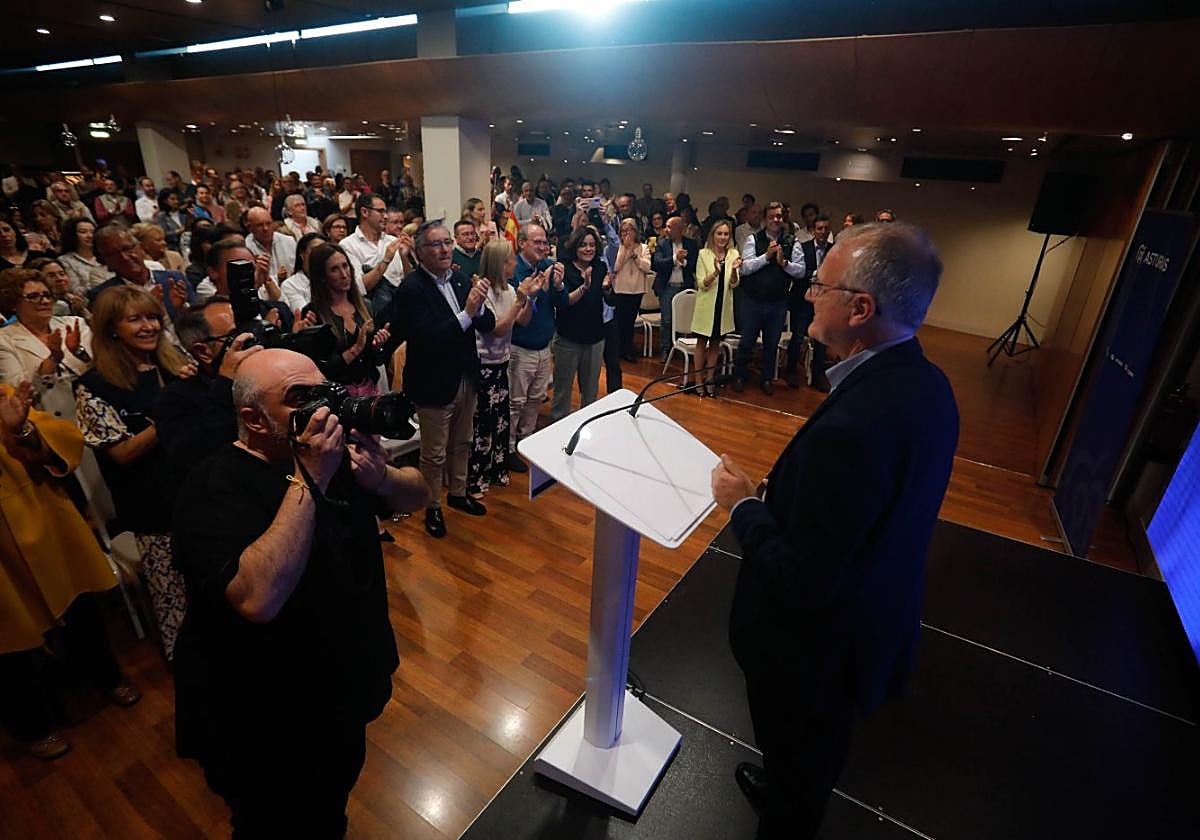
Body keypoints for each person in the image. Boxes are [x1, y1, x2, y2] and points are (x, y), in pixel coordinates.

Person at [710, 222, 959, 840]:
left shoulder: (854, 429)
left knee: (800, 765)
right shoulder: (928, 384)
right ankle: (785, 784)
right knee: (801, 761)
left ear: (860, 309)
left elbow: (802, 579)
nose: (809, 294)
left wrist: (744, 507)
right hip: (870, 620)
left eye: (821, 286)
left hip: (813, 657)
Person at [171, 349, 428, 838]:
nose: (323, 408)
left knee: (330, 806)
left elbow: (419, 495)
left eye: (325, 390)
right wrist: (310, 476)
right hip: (264, 720)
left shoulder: (332, 454)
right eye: (300, 398)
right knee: (277, 823)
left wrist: (383, 476)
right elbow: (257, 599)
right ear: (255, 419)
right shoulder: (211, 485)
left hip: (338, 690)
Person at [0, 381, 140, 761]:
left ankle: (106, 677)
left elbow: (60, 446)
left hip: (43, 520)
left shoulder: (2, 395)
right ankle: (31, 727)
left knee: (80, 609)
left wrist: (21, 430)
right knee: (9, 642)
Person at [75, 286, 194, 659]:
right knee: (178, 605)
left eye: (153, 317)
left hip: (200, 491)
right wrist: (169, 414)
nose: (149, 326)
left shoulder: (176, 363)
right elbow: (123, 453)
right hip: (154, 508)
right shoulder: (94, 386)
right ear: (112, 328)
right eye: (135, 319)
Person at [387, 221, 496, 538]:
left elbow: (487, 324)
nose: (445, 249)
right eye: (436, 244)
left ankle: (458, 493)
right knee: (434, 454)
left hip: (465, 376)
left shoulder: (459, 279)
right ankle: (432, 506)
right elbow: (428, 338)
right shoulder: (411, 289)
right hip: (433, 382)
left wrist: (479, 306)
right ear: (420, 252)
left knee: (463, 442)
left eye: (448, 242)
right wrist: (467, 313)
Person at [157, 297, 261, 485]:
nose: (251, 340)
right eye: (235, 336)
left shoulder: (268, 374)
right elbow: (191, 460)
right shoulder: (175, 399)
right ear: (203, 351)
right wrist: (225, 383)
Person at [468, 239, 534, 498]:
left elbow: (523, 321)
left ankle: (496, 469)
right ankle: (477, 478)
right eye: (511, 260)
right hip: (483, 367)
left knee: (500, 422)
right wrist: (519, 301)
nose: (515, 264)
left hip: (501, 364)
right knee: (482, 425)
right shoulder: (482, 292)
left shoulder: (509, 290)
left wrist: (529, 298)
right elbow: (496, 329)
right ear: (500, 264)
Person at [507, 223, 566, 472]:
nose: (543, 247)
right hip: (520, 347)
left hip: (544, 346)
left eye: (545, 242)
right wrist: (538, 291)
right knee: (516, 401)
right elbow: (519, 313)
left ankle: (527, 439)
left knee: (535, 399)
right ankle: (509, 447)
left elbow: (561, 303)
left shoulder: (546, 267)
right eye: (537, 242)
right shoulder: (513, 270)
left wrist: (559, 285)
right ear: (522, 243)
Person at [0, 269, 92, 419]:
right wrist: (52, 359)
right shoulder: (3, 340)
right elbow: (18, 392)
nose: (45, 301)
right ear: (13, 303)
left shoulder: (75, 324)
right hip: (49, 418)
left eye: (47, 295)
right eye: (33, 297)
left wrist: (78, 352)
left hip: (95, 410)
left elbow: (102, 367)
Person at [734, 201, 805, 395]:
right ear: (765, 219)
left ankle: (766, 379)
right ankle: (739, 376)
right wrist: (766, 256)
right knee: (747, 342)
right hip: (752, 300)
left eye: (779, 216)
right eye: (772, 216)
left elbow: (801, 271)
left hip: (778, 302)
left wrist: (784, 263)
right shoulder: (753, 239)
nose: (776, 220)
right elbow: (745, 268)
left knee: (772, 344)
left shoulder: (792, 241)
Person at [303, 243, 391, 394]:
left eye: (345, 266)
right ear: (322, 276)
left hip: (369, 389)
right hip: (336, 395)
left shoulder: (365, 306)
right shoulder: (313, 314)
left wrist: (377, 346)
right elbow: (323, 368)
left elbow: (377, 360)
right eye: (334, 269)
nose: (344, 274)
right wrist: (356, 349)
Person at [551, 227, 610, 421]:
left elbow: (607, 299)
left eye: (592, 245)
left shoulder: (600, 267)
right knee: (562, 391)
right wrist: (585, 287)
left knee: (590, 393)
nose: (588, 249)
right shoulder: (564, 269)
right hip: (568, 339)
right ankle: (559, 430)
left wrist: (608, 288)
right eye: (583, 245)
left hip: (595, 338)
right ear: (575, 247)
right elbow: (564, 302)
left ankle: (587, 428)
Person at [691, 220, 741, 395]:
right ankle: (698, 380)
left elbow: (734, 284)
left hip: (723, 307)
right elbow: (701, 284)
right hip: (706, 308)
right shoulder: (703, 254)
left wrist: (733, 271)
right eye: (719, 233)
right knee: (701, 343)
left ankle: (710, 379)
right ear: (713, 235)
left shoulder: (733, 254)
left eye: (726, 234)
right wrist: (715, 273)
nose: (722, 237)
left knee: (715, 344)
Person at [785, 215, 834, 392]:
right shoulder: (802, 247)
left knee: (821, 339)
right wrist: (815, 274)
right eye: (819, 228)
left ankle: (818, 375)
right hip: (803, 299)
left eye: (826, 229)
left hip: (824, 301)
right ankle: (791, 371)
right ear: (813, 231)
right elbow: (798, 272)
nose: (823, 232)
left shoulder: (834, 250)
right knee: (798, 337)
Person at [339, 194, 409, 311]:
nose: (385, 216)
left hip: (402, 305)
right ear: (364, 212)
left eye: (385, 211)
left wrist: (404, 257)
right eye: (380, 211)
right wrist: (386, 260)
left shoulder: (392, 241)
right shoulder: (348, 245)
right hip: (373, 310)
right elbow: (360, 288)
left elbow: (408, 279)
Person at [651, 215, 699, 361]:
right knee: (667, 320)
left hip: (685, 287)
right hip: (667, 287)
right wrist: (674, 259)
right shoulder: (661, 243)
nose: (666, 229)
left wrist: (683, 262)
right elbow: (657, 264)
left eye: (670, 227)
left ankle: (679, 347)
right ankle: (665, 349)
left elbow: (695, 265)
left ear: (680, 229)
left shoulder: (691, 244)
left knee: (683, 320)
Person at [609, 217, 651, 362]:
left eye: (629, 230)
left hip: (637, 289)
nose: (626, 234)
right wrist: (625, 250)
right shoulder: (617, 247)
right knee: (619, 321)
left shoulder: (643, 247)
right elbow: (615, 267)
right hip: (621, 289)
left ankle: (628, 349)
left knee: (630, 322)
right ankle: (617, 350)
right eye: (623, 231)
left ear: (635, 231)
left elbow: (647, 267)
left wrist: (635, 256)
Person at [243, 206, 291, 301]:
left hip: (290, 293)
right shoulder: (245, 249)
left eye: (269, 223)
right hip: (263, 299)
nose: (265, 228)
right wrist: (277, 278)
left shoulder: (289, 241)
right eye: (259, 225)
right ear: (249, 228)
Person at [57, 217, 111, 294]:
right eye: (83, 232)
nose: (90, 236)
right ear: (72, 235)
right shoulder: (65, 260)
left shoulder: (105, 255)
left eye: (93, 232)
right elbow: (74, 289)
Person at [279, 232, 326, 312]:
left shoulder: (335, 279)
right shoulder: (291, 285)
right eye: (314, 250)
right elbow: (306, 315)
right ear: (302, 254)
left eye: (324, 251)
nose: (319, 255)